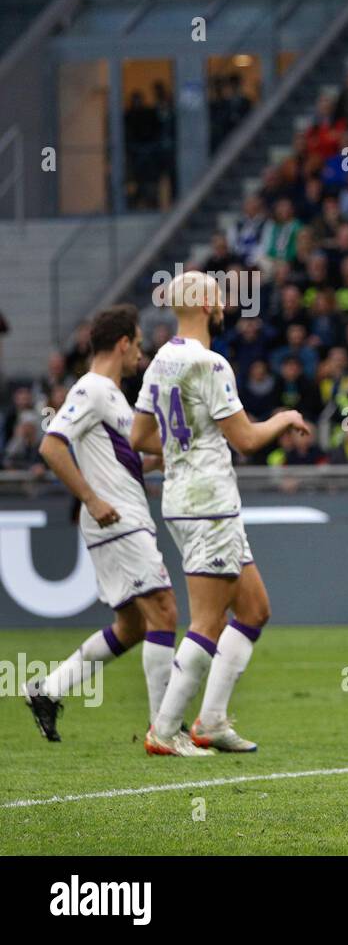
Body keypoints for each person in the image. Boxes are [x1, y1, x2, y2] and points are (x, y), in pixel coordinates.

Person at [130, 271, 309, 756]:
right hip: (209, 505)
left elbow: (140, 438)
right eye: (219, 296)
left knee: (254, 609)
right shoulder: (210, 364)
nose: (226, 303)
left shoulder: (162, 360)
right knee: (207, 621)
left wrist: (181, 446)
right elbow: (247, 440)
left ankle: (210, 721)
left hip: (184, 501)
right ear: (208, 305)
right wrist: (286, 418)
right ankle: (164, 731)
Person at [25, 306, 180, 742]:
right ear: (123, 343)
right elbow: (52, 446)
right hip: (118, 520)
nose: (141, 355)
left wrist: (158, 460)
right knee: (165, 611)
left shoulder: (114, 398)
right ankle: (164, 730)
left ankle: (46, 690)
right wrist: (90, 499)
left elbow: (119, 462)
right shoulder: (91, 389)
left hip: (126, 517)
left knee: (133, 627)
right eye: (138, 343)